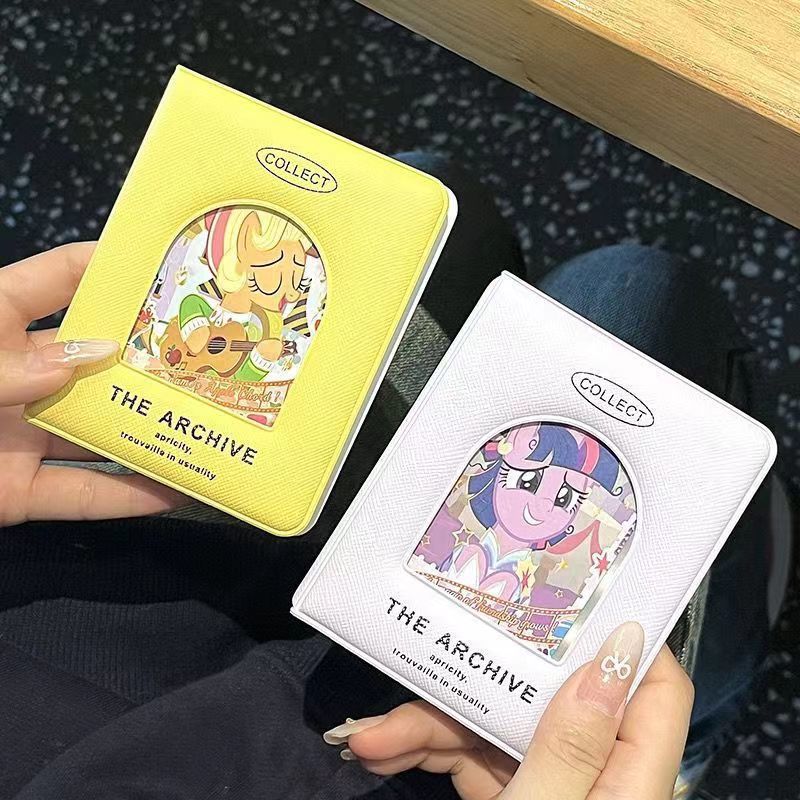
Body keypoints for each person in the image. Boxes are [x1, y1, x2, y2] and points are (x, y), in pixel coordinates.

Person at [0, 154, 771, 799]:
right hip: (389, 747)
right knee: (634, 292)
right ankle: (692, 738)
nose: (545, 502)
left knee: (434, 199)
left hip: (108, 590)